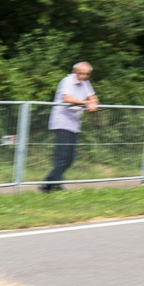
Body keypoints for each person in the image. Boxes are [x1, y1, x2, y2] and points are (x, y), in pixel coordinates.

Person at [41, 62, 98, 192]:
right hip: (62, 121)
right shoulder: (67, 81)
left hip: (74, 123)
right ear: (74, 72)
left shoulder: (85, 84)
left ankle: (49, 183)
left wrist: (93, 103)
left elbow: (93, 97)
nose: (83, 76)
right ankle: (51, 185)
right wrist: (87, 102)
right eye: (80, 73)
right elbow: (67, 98)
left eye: (86, 74)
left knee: (70, 158)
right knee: (62, 156)